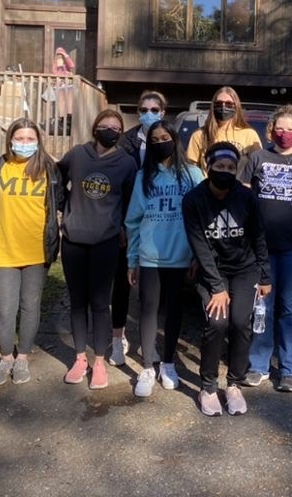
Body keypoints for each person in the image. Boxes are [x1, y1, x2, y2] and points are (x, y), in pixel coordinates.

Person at [182, 141, 271, 416]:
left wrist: (265, 275)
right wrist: (217, 287)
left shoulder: (247, 198)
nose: (225, 171)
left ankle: (234, 384)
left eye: (231, 167)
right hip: (213, 269)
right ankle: (208, 387)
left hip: (245, 268)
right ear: (208, 167)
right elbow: (199, 246)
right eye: (219, 166)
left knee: (241, 322)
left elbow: (258, 237)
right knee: (217, 322)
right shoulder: (193, 200)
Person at [57, 109, 137, 389]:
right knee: (78, 302)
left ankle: (100, 362)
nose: (110, 131)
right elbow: (57, 177)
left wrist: (123, 227)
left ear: (121, 133)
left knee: (101, 303)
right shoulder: (78, 154)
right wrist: (64, 206)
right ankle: (80, 358)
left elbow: (130, 200)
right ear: (95, 128)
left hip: (106, 241)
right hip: (74, 239)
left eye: (116, 128)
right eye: (105, 126)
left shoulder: (127, 163)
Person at [240, 105, 292, 393]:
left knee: (291, 309)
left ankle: (289, 368)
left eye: (290, 129)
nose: (285, 133)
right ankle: (258, 365)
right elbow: (243, 202)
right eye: (280, 128)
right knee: (262, 307)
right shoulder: (257, 158)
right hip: (261, 249)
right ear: (271, 130)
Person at [125, 121, 204, 397]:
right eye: (155, 140)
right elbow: (133, 220)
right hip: (150, 257)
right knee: (148, 309)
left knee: (174, 311)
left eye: (165, 137)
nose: (161, 143)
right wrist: (132, 259)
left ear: (175, 139)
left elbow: (202, 216)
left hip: (181, 257)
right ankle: (148, 366)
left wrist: (198, 255)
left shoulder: (193, 174)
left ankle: (168, 363)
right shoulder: (143, 177)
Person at [0, 118, 64, 387]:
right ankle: (5, 357)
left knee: (30, 306)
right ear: (10, 140)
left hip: (37, 250)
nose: (24, 143)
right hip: (3, 249)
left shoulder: (49, 169)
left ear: (38, 141)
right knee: (5, 309)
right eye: (19, 138)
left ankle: (22, 357)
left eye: (30, 139)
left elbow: (61, 202)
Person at [114, 89, 169, 365]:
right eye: (144, 110)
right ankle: (118, 338)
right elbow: (118, 184)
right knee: (123, 283)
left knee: (153, 293)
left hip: (159, 221)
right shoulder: (126, 142)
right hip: (129, 215)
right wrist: (121, 224)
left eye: (154, 110)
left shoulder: (167, 138)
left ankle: (151, 343)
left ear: (163, 112)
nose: (149, 114)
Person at [185, 86, 262, 169]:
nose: (223, 107)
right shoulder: (200, 135)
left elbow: (258, 166)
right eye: (219, 103)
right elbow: (192, 168)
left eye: (229, 104)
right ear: (213, 106)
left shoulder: (249, 134)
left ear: (236, 106)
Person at [52, 47, 76, 135]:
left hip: (68, 85)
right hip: (60, 85)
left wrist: (66, 56)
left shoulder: (66, 63)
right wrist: (59, 68)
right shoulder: (55, 63)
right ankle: (62, 118)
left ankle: (69, 116)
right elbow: (54, 72)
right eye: (58, 56)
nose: (59, 58)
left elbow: (72, 66)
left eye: (61, 56)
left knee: (69, 98)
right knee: (61, 100)